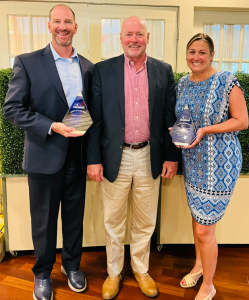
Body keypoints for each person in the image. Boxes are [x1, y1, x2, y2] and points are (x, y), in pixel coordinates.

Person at [3, 4, 93, 300]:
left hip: (77, 156)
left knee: (74, 216)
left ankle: (72, 266)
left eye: (68, 21)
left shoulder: (88, 66)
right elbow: (12, 109)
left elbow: (87, 110)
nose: (63, 26)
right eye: (57, 21)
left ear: (75, 27)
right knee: (42, 220)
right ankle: (42, 273)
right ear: (49, 25)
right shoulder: (28, 62)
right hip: (44, 154)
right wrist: (52, 125)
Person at [87, 16, 179, 300]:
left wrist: (171, 156)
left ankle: (140, 269)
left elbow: (170, 118)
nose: (134, 39)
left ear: (148, 37)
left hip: (150, 155)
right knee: (113, 220)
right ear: (120, 38)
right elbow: (95, 119)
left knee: (145, 219)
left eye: (139, 34)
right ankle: (114, 272)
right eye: (129, 34)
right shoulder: (102, 70)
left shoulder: (163, 71)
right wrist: (93, 158)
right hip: (115, 157)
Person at [174, 33, 248, 300]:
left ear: (212, 55)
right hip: (193, 162)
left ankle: (209, 285)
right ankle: (198, 266)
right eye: (192, 51)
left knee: (205, 228)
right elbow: (184, 119)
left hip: (220, 164)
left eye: (202, 52)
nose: (196, 57)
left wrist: (206, 130)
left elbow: (241, 120)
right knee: (198, 222)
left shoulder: (226, 81)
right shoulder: (182, 83)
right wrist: (178, 131)